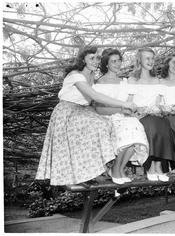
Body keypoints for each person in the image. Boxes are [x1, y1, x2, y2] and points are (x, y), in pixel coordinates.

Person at [35, 45, 137, 186]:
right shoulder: (76, 75)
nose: (95, 61)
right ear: (83, 59)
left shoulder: (91, 76)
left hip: (82, 110)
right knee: (96, 127)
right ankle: (88, 173)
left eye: (97, 58)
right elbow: (94, 95)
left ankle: (100, 169)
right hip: (67, 111)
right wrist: (123, 104)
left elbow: (93, 101)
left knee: (106, 125)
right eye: (91, 58)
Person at [93, 48, 149, 185]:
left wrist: (133, 111)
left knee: (135, 128)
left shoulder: (124, 82)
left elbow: (130, 104)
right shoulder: (101, 83)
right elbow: (99, 109)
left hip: (125, 117)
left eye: (119, 60)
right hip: (110, 117)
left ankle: (118, 169)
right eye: (113, 61)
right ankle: (117, 169)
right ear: (106, 64)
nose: (117, 64)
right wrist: (120, 109)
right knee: (128, 129)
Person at [127, 48, 175, 182]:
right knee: (151, 124)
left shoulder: (156, 80)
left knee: (164, 123)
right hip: (139, 116)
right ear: (139, 60)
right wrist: (140, 111)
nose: (150, 61)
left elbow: (158, 103)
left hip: (154, 115)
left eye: (152, 58)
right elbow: (129, 103)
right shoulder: (133, 79)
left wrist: (160, 109)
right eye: (147, 58)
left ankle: (159, 167)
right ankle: (150, 168)